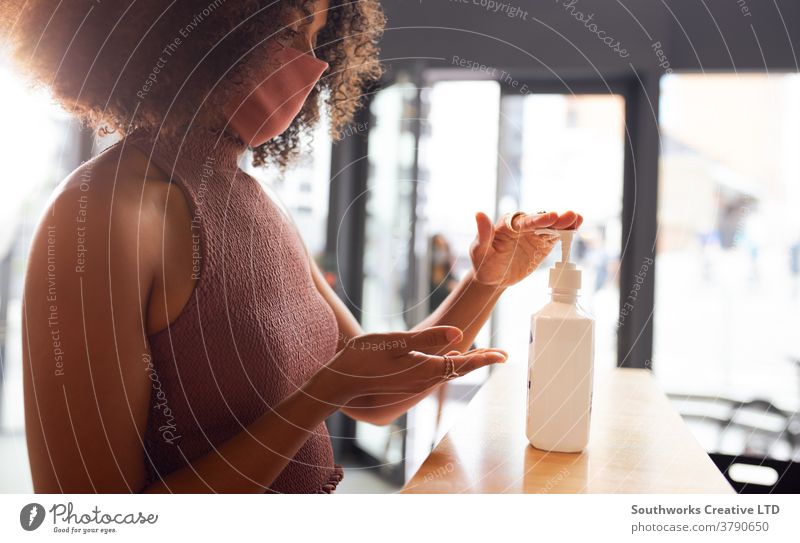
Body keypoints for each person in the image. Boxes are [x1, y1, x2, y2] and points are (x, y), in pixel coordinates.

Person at [1, 0, 582, 493]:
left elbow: (373, 394)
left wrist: (486, 282)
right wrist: (320, 395)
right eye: (291, 30)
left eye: (317, 36)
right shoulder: (100, 215)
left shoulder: (256, 200)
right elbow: (85, 519)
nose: (316, 62)